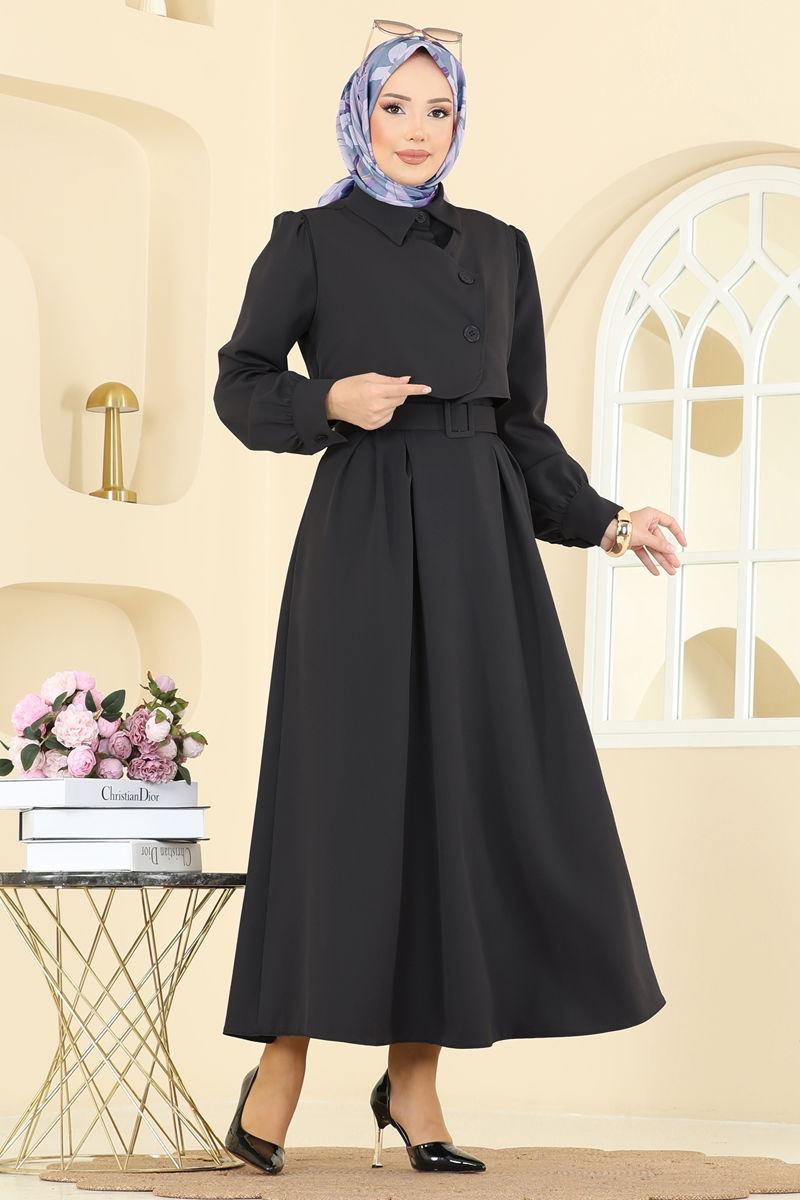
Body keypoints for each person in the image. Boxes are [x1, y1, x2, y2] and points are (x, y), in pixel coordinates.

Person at [212, 26, 685, 1178]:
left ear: (457, 124)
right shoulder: (308, 239)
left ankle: (414, 1083)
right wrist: (328, 401)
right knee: (341, 798)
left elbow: (519, 426)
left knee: (456, 800)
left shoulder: (497, 248)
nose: (417, 130)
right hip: (365, 530)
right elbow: (240, 382)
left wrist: (605, 519)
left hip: (479, 541)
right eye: (396, 107)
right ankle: (281, 1063)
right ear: (359, 114)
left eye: (438, 111)